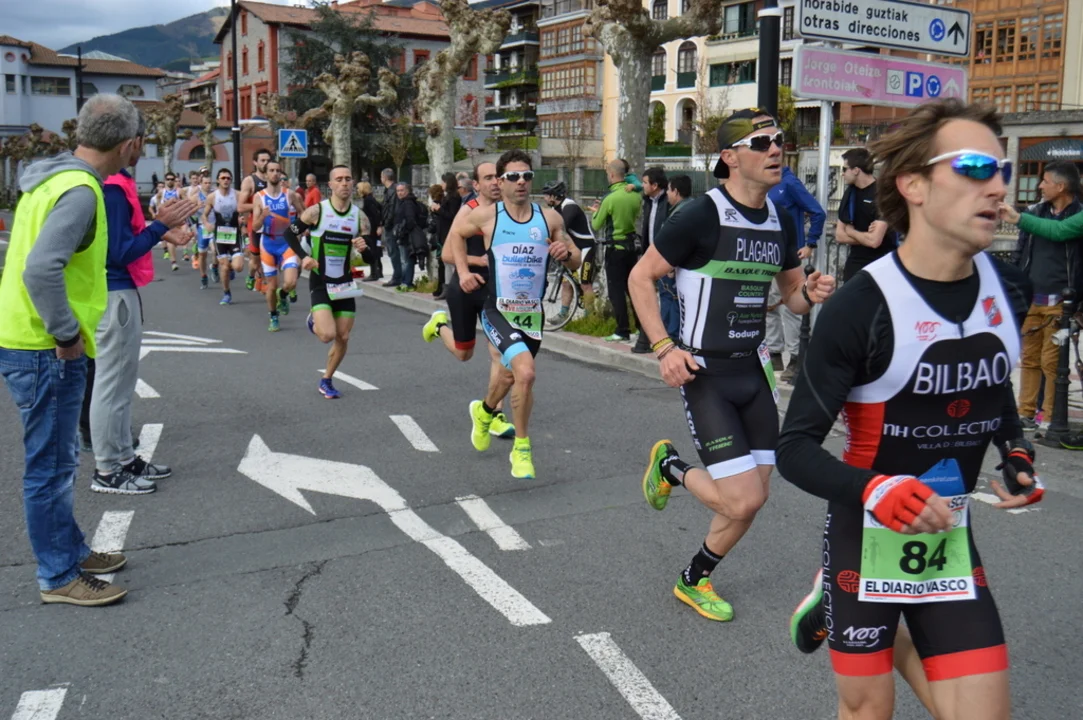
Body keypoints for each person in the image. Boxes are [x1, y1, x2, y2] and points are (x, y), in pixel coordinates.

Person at [778, 99, 1043, 720]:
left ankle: (860, 617)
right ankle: (839, 598)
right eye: (975, 167)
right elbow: (794, 450)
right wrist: (877, 489)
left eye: (1002, 170)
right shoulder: (860, 307)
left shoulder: (1009, 289)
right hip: (865, 534)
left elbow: (992, 383)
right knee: (870, 711)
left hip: (947, 537)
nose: (998, 186)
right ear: (914, 185)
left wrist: (1017, 451)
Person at [630, 108, 835, 622]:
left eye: (778, 140)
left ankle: (694, 578)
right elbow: (640, 277)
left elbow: (792, 296)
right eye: (761, 142)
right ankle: (671, 468)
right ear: (730, 157)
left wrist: (810, 292)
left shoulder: (780, 218)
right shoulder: (700, 214)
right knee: (740, 501)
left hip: (754, 372)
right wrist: (664, 348)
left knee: (754, 497)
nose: (775, 149)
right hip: (705, 374)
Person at [0, 94, 146, 606]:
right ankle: (58, 575)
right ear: (128, 145)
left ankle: (71, 551)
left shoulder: (51, 178)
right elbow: (41, 269)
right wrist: (66, 335)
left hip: (25, 336)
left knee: (59, 461)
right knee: (50, 467)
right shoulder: (81, 192)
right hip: (44, 345)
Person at [447, 150, 579, 478]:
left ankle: (484, 412)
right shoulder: (487, 217)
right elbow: (455, 237)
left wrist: (566, 253)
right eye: (513, 177)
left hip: (532, 314)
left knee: (509, 377)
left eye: (527, 176)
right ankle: (522, 449)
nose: (521, 182)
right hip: (498, 310)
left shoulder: (550, 218)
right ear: (500, 181)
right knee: (526, 373)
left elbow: (576, 258)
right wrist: (463, 272)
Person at [93, 113, 196, 496]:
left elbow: (125, 237)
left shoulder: (111, 183)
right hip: (113, 292)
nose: (142, 149)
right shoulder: (113, 188)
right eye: (142, 141)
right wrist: (160, 226)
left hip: (115, 291)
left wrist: (161, 230)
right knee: (113, 385)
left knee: (121, 384)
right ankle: (107, 469)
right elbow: (119, 251)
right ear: (130, 142)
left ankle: (123, 458)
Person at [422, 161, 515, 441]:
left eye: (499, 177)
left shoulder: (509, 211)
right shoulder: (468, 211)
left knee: (499, 353)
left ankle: (494, 414)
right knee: (464, 354)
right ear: (476, 185)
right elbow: (446, 254)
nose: (495, 182)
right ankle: (439, 326)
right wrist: (478, 261)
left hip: (495, 291)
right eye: (488, 178)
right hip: (465, 287)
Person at [997, 161, 1083, 430]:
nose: (1040, 186)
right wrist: (1014, 287)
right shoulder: (1036, 212)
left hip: (1061, 303)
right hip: (1032, 298)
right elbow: (1020, 252)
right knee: (1030, 359)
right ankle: (1025, 413)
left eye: (1045, 181)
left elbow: (1058, 232)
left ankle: (1048, 416)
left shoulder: (1078, 216)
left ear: (1062, 186)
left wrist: (1078, 305)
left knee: (1052, 362)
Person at [286, 165, 369, 398]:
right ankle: (313, 319)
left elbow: (371, 255)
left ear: (353, 183)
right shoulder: (317, 212)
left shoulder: (360, 217)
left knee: (343, 336)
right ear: (330, 185)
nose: (344, 183)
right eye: (339, 179)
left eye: (348, 179)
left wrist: (365, 248)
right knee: (326, 335)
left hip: (344, 283)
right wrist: (304, 257)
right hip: (321, 280)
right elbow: (289, 233)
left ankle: (327, 380)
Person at [767, 164, 827, 382]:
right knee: (769, 306)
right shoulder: (766, 184)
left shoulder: (790, 183)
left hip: (789, 256)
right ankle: (774, 353)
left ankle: (795, 357)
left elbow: (818, 212)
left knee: (790, 308)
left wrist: (810, 243)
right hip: (769, 254)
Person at [591, 160, 643, 342]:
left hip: (614, 248)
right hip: (631, 247)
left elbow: (596, 224)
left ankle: (622, 330)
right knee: (632, 289)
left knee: (616, 291)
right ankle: (641, 328)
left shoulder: (610, 198)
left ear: (611, 175)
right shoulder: (635, 195)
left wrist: (596, 211)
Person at [252, 159, 305, 332]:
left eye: (277, 170)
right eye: (271, 170)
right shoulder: (259, 197)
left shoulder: (289, 194)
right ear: (266, 174)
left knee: (291, 282)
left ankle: (283, 295)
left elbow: (303, 214)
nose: (275, 173)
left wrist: (299, 230)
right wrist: (262, 216)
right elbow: (255, 227)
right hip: (268, 245)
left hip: (286, 243)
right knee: (272, 285)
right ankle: (273, 316)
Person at [541, 179, 596, 323]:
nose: (544, 198)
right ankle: (563, 314)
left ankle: (590, 319)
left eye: (546, 195)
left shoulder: (569, 206)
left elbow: (561, 226)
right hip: (572, 250)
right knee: (566, 282)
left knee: (585, 283)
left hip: (585, 247)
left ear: (554, 196)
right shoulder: (555, 210)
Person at [837, 147, 893, 282]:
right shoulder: (850, 193)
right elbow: (839, 235)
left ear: (856, 170)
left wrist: (851, 232)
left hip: (881, 263)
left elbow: (874, 241)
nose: (842, 174)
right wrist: (866, 237)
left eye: (844, 169)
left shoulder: (882, 193)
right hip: (855, 263)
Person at [632, 167, 671, 353]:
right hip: (650, 254)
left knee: (666, 296)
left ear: (655, 185)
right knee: (647, 296)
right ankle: (645, 339)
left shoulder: (668, 202)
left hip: (666, 256)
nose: (642, 186)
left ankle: (664, 339)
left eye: (645, 183)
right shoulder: (648, 201)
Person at [656, 174, 692, 341]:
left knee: (673, 300)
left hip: (675, 266)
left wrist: (672, 265)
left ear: (676, 191)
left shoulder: (681, 213)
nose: (667, 194)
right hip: (680, 265)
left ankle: (670, 337)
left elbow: (680, 241)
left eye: (669, 190)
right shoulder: (690, 208)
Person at [202, 168, 245, 305]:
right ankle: (226, 293)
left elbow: (245, 210)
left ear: (231, 180)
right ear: (218, 180)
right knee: (224, 266)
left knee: (238, 267)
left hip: (235, 234)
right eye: (223, 178)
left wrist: (243, 220)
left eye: (228, 178)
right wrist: (207, 224)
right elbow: (204, 214)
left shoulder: (238, 195)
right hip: (220, 235)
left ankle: (232, 268)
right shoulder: (212, 197)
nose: (226, 180)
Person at [238, 148, 272, 292]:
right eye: (262, 160)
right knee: (256, 260)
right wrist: (259, 205)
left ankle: (267, 284)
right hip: (256, 224)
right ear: (255, 163)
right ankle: (252, 275)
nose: (266, 163)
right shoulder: (250, 181)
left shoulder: (274, 179)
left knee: (271, 257)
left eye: (268, 160)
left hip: (273, 225)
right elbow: (240, 206)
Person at [432, 172, 462, 300]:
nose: (441, 184)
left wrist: (439, 209)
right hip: (442, 232)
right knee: (442, 261)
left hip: (448, 232)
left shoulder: (454, 197)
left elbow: (452, 215)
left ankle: (450, 288)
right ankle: (443, 287)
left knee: (448, 261)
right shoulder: (447, 196)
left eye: (443, 182)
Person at [391, 182, 421, 290]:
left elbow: (410, 220)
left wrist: (403, 232)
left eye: (402, 190)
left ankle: (406, 282)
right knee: (406, 260)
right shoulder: (403, 202)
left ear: (407, 191)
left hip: (406, 237)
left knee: (406, 260)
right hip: (404, 236)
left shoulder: (408, 203)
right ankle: (405, 282)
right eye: (398, 191)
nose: (399, 193)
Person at [189, 173, 214, 285]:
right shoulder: (196, 197)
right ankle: (203, 275)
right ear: (201, 184)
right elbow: (188, 212)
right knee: (202, 254)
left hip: (214, 226)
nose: (208, 185)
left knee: (215, 250)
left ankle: (215, 266)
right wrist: (197, 207)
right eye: (205, 183)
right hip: (202, 227)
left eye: (209, 183)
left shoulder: (215, 194)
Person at [356, 181, 384, 282]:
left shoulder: (368, 200)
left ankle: (374, 273)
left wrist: (379, 226)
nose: (357, 190)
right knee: (376, 249)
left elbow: (375, 214)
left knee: (373, 249)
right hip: (373, 228)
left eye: (358, 188)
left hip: (372, 229)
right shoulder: (371, 199)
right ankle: (378, 271)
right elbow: (380, 209)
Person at [156, 172, 184, 271]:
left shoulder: (179, 191)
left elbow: (186, 202)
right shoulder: (161, 192)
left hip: (177, 218)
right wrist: (159, 211)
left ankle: (177, 255)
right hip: (166, 219)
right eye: (168, 179)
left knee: (178, 240)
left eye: (172, 179)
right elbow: (158, 203)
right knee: (170, 240)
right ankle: (174, 262)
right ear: (165, 180)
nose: (170, 181)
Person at [379, 169, 403, 287]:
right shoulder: (390, 190)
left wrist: (386, 224)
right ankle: (398, 276)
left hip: (392, 226)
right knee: (394, 252)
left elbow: (391, 210)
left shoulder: (392, 191)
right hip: (392, 225)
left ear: (385, 177)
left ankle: (397, 277)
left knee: (394, 252)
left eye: (381, 176)